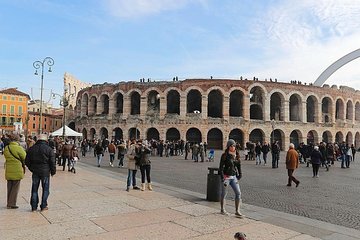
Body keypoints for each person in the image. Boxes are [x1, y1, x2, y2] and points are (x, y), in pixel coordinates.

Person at [25, 134, 56, 211]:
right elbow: (52, 162)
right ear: (46, 140)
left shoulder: (32, 149)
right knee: (45, 189)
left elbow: (27, 161)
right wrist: (53, 171)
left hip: (35, 171)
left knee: (34, 189)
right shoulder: (49, 149)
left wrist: (32, 168)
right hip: (45, 172)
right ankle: (43, 205)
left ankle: (34, 207)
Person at [219, 139, 243, 218]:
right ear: (228, 147)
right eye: (231, 146)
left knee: (238, 193)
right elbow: (221, 167)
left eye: (234, 146)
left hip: (234, 177)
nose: (233, 147)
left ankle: (237, 211)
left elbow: (238, 165)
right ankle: (222, 209)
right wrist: (222, 177)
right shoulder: (225, 155)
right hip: (226, 177)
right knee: (224, 193)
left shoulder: (237, 155)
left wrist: (240, 174)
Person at [4, 133, 26, 209]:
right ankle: (12, 203)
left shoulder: (7, 148)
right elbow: (24, 157)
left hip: (9, 169)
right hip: (17, 169)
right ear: (17, 140)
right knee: (15, 187)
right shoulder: (18, 148)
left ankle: (8, 202)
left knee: (9, 187)